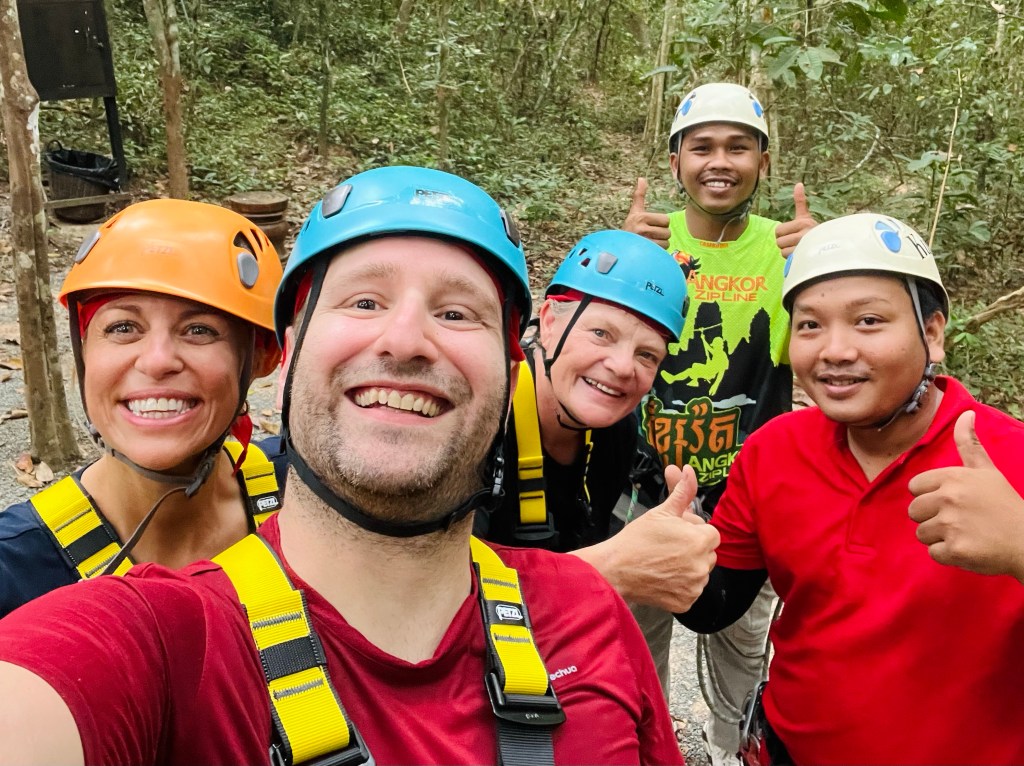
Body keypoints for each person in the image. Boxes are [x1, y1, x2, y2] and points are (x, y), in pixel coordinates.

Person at [0, 167, 689, 766]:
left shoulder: (590, 611)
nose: (406, 339)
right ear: (288, 355)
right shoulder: (148, 639)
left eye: (456, 313)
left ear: (512, 371)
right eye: (364, 301)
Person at [677, 213, 1024, 763]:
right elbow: (717, 608)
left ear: (933, 333)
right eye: (810, 325)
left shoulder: (1010, 458)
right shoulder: (773, 451)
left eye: (868, 321)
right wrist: (679, 560)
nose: (834, 350)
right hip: (791, 747)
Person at [623, 81, 812, 760]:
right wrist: (620, 258)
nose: (720, 162)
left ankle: (734, 748)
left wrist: (820, 271)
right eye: (702, 147)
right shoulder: (645, 241)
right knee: (633, 640)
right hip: (643, 489)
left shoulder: (789, 252)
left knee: (743, 645)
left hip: (746, 498)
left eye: (739, 147)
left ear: (764, 162)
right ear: (676, 162)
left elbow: (827, 354)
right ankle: (645, 748)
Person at [0, 199, 284, 617]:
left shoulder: (304, 492)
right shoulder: (15, 571)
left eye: (199, 330)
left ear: (260, 358)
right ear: (84, 353)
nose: (156, 361)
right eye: (123, 327)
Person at [475, 229, 720, 616]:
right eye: (602, 333)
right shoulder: (480, 418)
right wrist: (612, 568)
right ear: (549, 321)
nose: (623, 367)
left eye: (647, 355)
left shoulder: (616, 431)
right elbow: (437, 596)